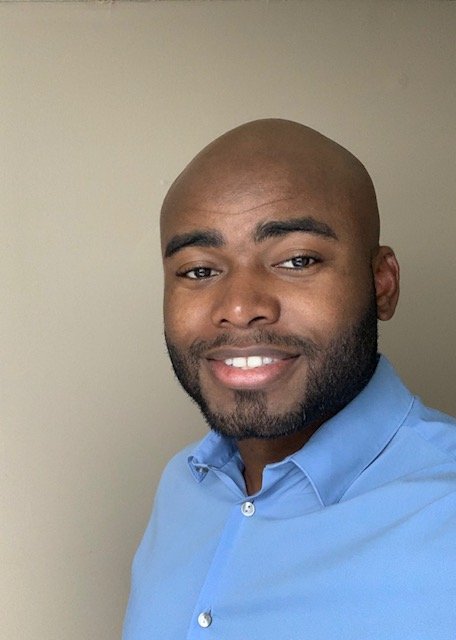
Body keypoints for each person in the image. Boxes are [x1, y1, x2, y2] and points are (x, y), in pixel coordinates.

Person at [123, 119, 456, 640]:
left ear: (382, 284)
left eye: (297, 260)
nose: (238, 307)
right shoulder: (184, 488)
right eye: (199, 271)